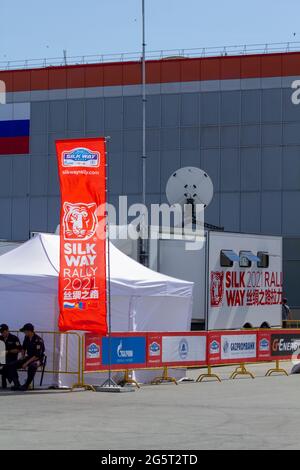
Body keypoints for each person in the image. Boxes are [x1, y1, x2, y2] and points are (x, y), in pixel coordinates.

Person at [9, 323, 45, 391]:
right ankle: (17, 384)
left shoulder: (38, 340)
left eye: (25, 331)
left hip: (38, 359)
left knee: (32, 366)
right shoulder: (26, 337)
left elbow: (37, 356)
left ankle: (27, 385)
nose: (24, 333)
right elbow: (23, 348)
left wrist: (26, 363)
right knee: (12, 365)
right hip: (29, 357)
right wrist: (22, 357)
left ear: (29, 331)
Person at [0, 324, 21, 389]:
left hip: (12, 358)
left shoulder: (14, 338)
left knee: (10, 365)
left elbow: (18, 349)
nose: (2, 334)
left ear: (7, 330)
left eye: (3, 332)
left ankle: (16, 384)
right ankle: (5, 383)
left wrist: (8, 351)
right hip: (2, 358)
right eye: (1, 332)